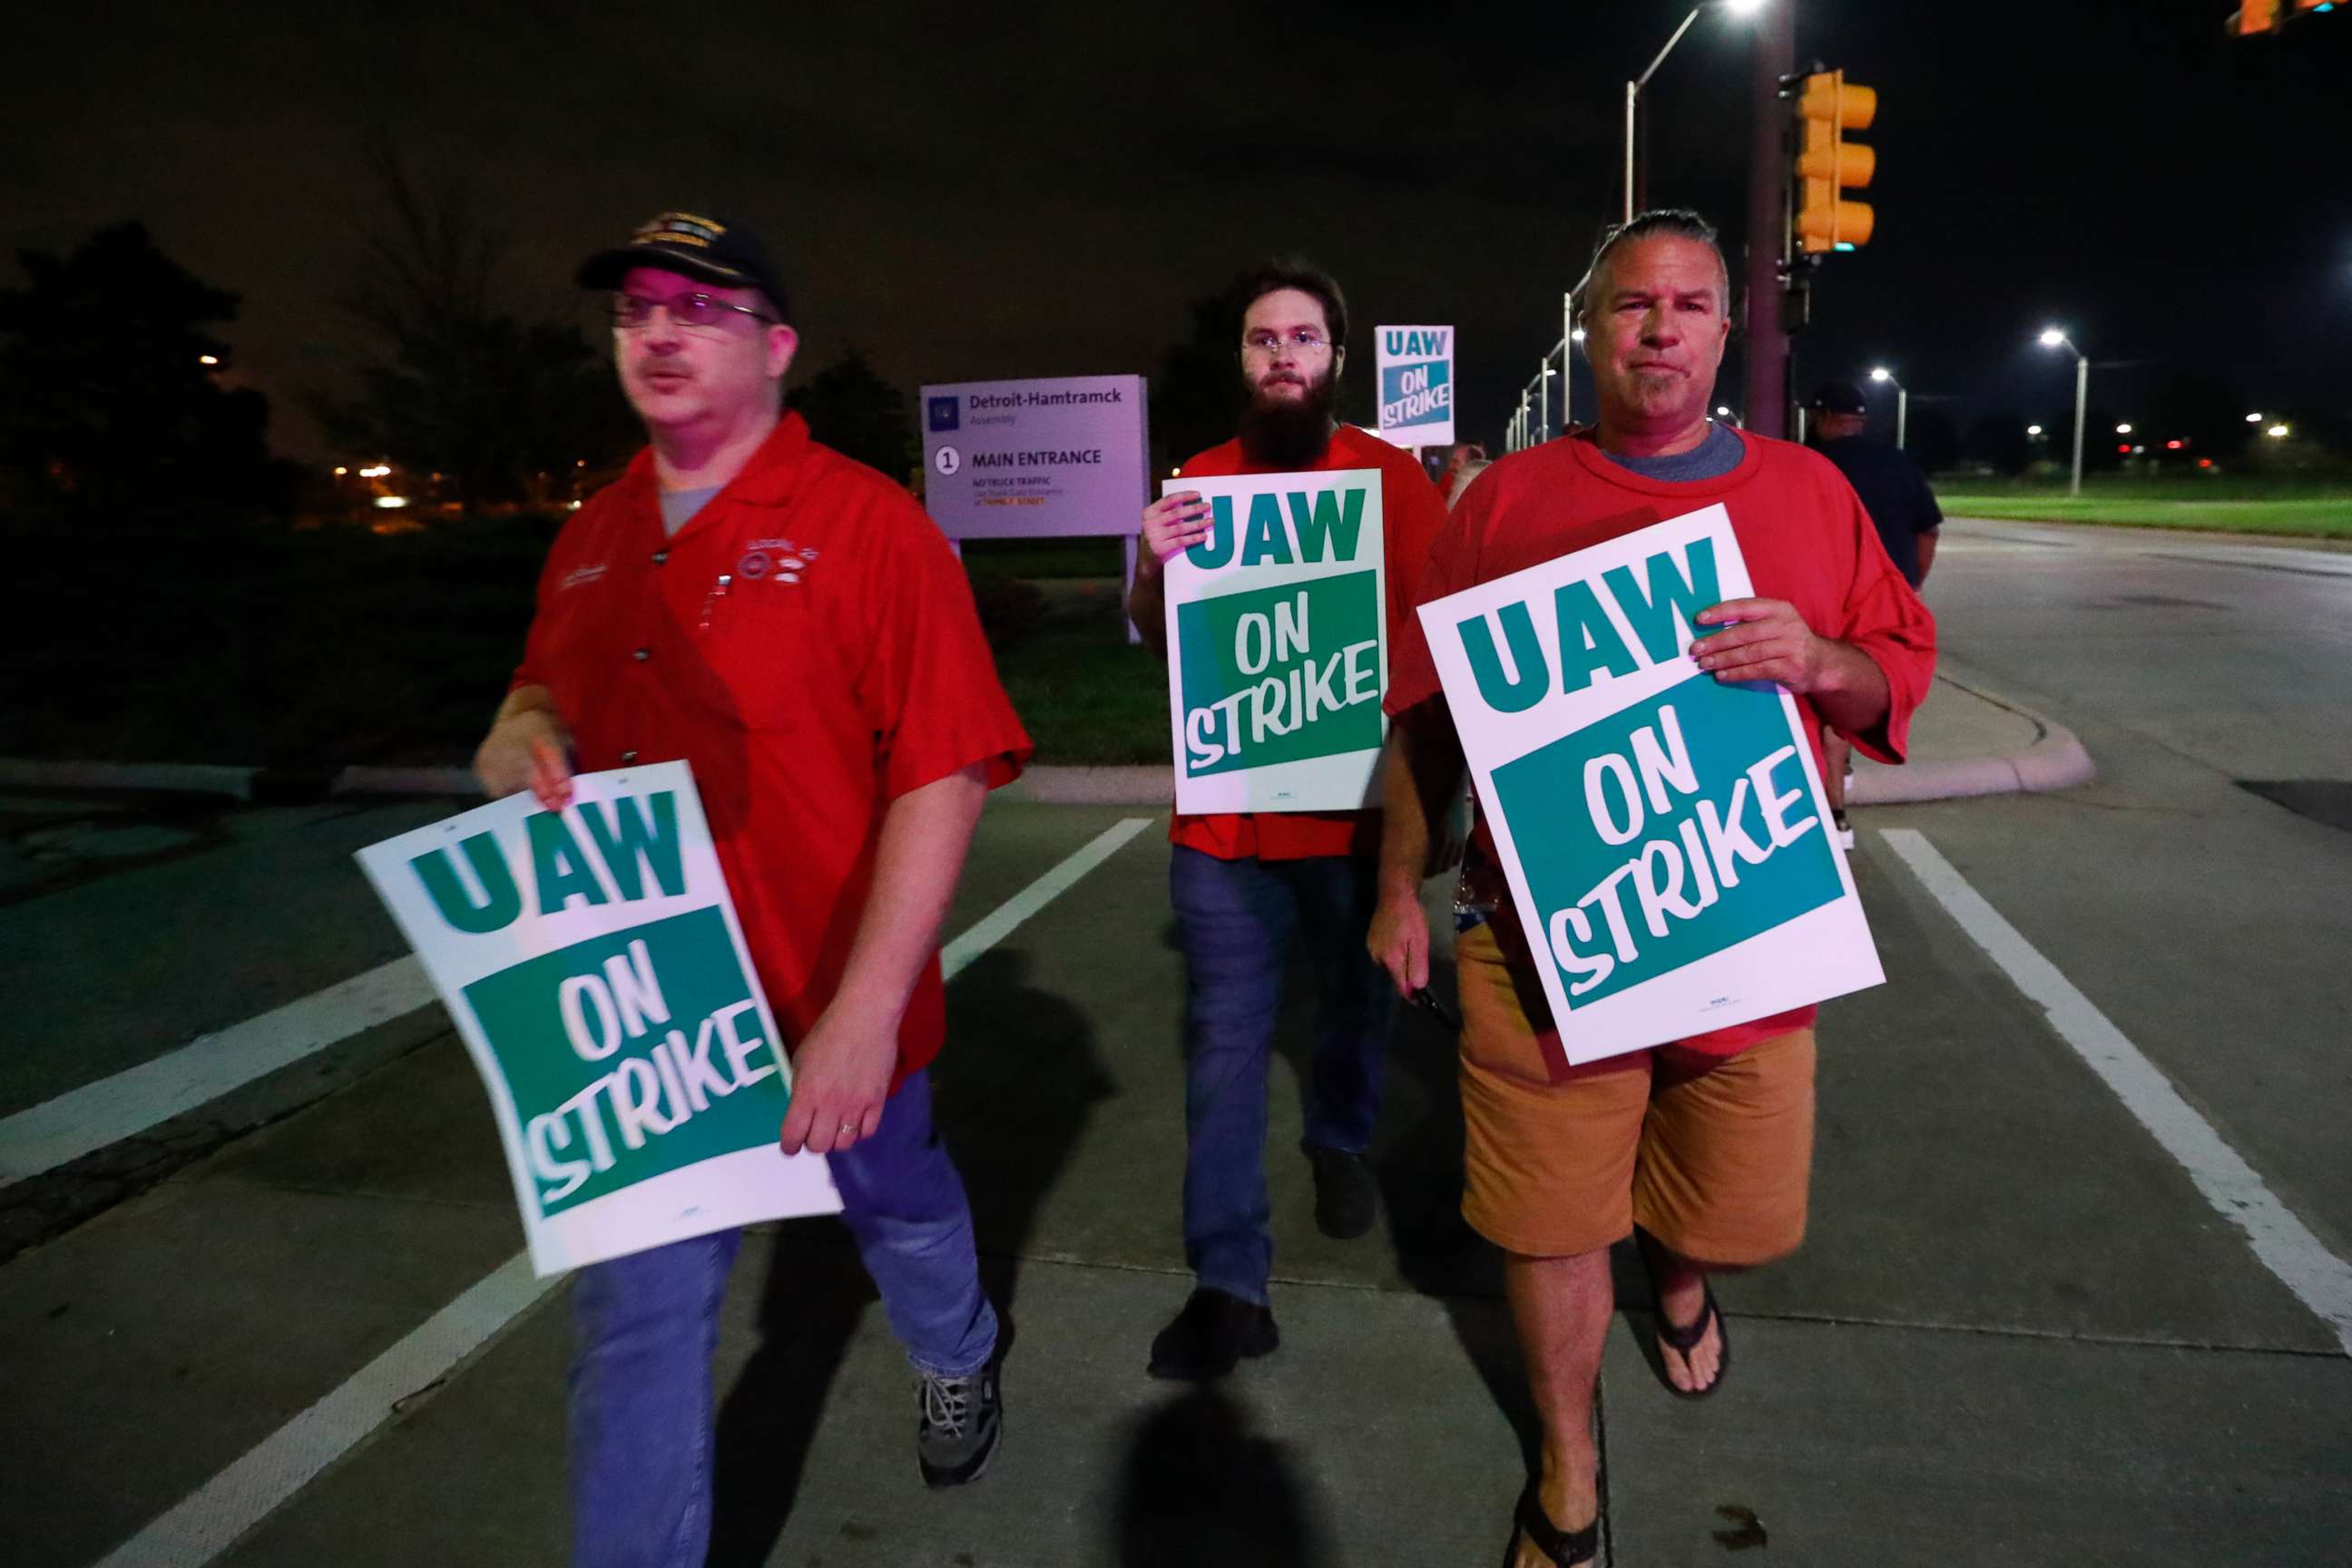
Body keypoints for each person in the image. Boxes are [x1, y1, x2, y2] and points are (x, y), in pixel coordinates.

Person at [1367, 211, 1935, 1568]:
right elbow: (1428, 725)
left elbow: (1891, 675)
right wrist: (1398, 881)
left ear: (1726, 332)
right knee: (1550, 1223)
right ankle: (1568, 1478)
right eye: (1632, 305)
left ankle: (1677, 1275)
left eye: (1688, 305)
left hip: (1744, 921)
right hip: (1538, 942)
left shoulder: (1807, 493)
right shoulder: (1499, 503)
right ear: (1593, 329)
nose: (1659, 327)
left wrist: (1818, 658)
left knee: (1734, 1211)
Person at [472, 211, 1032, 1566]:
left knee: (897, 1199)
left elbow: (945, 770)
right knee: (636, 1331)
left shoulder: (868, 528)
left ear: (777, 347)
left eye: (699, 306)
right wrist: (517, 728)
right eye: (636, 308)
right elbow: (542, 684)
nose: (657, 328)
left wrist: (862, 1010)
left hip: (826, 996)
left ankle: (957, 1346)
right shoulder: (592, 536)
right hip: (651, 1024)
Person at [1125, 260, 1448, 1380]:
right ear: (1243, 359)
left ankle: (1340, 1135)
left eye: (1303, 339)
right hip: (1223, 833)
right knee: (1220, 1045)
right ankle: (1228, 1282)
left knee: (1355, 1001)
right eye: (1263, 339)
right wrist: (1147, 564)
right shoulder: (1201, 483)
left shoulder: (1393, 481)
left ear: (1334, 360)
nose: (1281, 356)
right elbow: (1164, 641)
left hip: (1352, 823)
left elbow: (1425, 654)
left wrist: (1412, 841)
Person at [1806, 380, 1945, 846]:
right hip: (1887, 602)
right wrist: (1911, 587)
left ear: (1823, 418)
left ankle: (1834, 812)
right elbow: (1929, 531)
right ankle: (1840, 787)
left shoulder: (1811, 463)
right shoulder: (1897, 462)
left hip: (1829, 594)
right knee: (1858, 693)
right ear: (1860, 420)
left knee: (1827, 691)